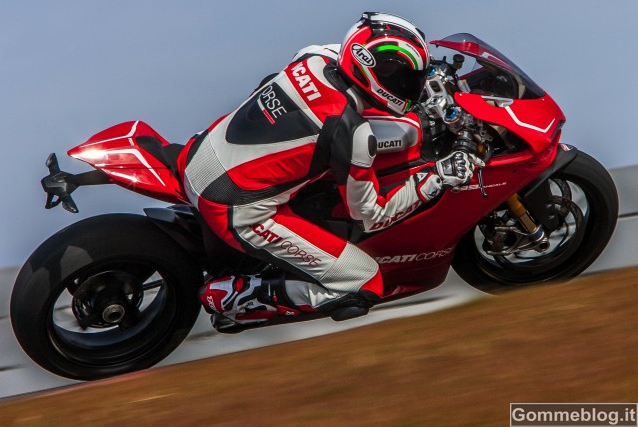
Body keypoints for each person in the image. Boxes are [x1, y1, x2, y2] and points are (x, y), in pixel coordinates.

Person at [180, 12, 482, 331]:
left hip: (199, 152)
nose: (411, 85)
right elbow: (371, 215)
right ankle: (239, 298)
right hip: (233, 206)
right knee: (362, 282)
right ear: (373, 70)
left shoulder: (315, 56)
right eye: (403, 76)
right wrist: (437, 176)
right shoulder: (352, 133)